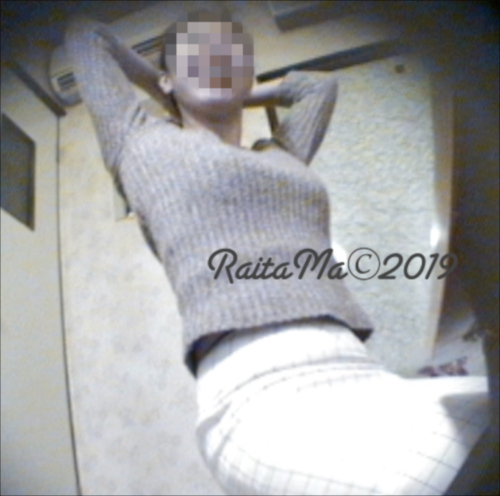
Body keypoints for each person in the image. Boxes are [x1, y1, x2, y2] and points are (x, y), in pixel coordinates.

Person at [65, 9, 493, 495]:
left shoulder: (283, 154)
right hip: (257, 401)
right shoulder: (139, 142)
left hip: (361, 371)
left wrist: (236, 88)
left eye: (229, 52)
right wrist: (172, 88)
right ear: (166, 76)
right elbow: (86, 34)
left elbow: (319, 88)